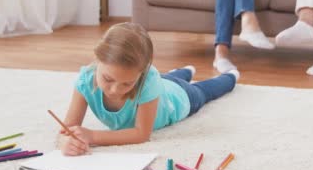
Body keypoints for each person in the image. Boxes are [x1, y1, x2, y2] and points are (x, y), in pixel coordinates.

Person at [57, 22, 239, 156]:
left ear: (141, 73)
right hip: (162, 84)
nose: (114, 90)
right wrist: (65, 141)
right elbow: (67, 129)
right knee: (167, 78)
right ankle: (183, 71)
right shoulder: (85, 81)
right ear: (97, 59)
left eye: (127, 84)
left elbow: (141, 134)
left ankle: (230, 76)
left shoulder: (149, 79)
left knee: (204, 91)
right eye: (108, 79)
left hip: (179, 97)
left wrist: (93, 137)